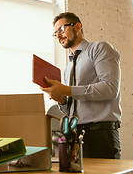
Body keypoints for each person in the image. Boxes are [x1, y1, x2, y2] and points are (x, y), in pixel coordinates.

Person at [40, 12, 122, 159]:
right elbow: (69, 108)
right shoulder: (67, 69)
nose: (58, 35)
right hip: (75, 136)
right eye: (55, 33)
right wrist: (62, 100)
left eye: (62, 29)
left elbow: (110, 88)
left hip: (101, 134)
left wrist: (66, 89)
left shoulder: (99, 49)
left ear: (77, 27)